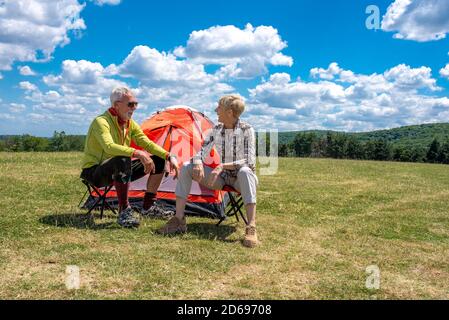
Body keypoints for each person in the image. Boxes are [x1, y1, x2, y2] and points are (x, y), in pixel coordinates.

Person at [157, 95, 259, 248]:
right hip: (222, 178)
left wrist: (221, 166)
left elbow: (248, 161)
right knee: (186, 167)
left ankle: (251, 227)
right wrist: (197, 162)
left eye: (219, 107)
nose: (216, 110)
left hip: (241, 180)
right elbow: (202, 151)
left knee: (245, 171)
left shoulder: (247, 130)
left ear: (229, 112)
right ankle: (179, 220)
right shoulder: (216, 130)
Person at [80, 87, 179, 228]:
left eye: (136, 104)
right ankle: (124, 210)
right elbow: (109, 147)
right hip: (94, 172)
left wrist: (169, 156)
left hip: (118, 170)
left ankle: (148, 207)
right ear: (116, 105)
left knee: (158, 160)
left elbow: (146, 143)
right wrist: (138, 153)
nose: (134, 108)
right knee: (122, 158)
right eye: (130, 104)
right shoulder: (101, 122)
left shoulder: (130, 124)